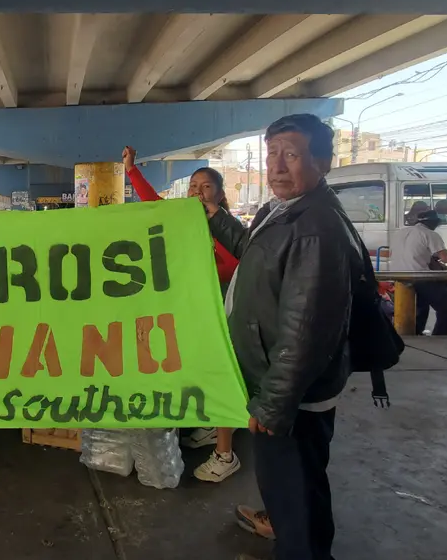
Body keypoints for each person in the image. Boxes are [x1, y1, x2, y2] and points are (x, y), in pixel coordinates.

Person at [202, 114, 361, 560]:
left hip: (292, 397)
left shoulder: (314, 229)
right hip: (280, 387)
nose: (276, 166)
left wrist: (273, 403)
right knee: (297, 489)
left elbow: (306, 328)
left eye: (291, 154)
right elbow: (254, 250)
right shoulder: (287, 210)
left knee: (296, 496)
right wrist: (215, 216)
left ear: (323, 162)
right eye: (272, 154)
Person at [122, 147, 243, 484]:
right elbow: (154, 203)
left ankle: (225, 453)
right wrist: (132, 170)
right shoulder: (183, 221)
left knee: (220, 373)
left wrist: (204, 269)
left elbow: (235, 265)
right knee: (198, 369)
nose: (196, 192)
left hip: (222, 314)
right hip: (196, 313)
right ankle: (209, 427)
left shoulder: (225, 228)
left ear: (218, 194)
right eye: (192, 186)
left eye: (205, 187)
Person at [390, 210, 447, 335]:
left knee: (420, 305)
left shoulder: (400, 232)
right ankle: (440, 335)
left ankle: (416, 332)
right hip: (419, 276)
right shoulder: (430, 234)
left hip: (398, 276)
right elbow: (446, 259)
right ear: (433, 223)